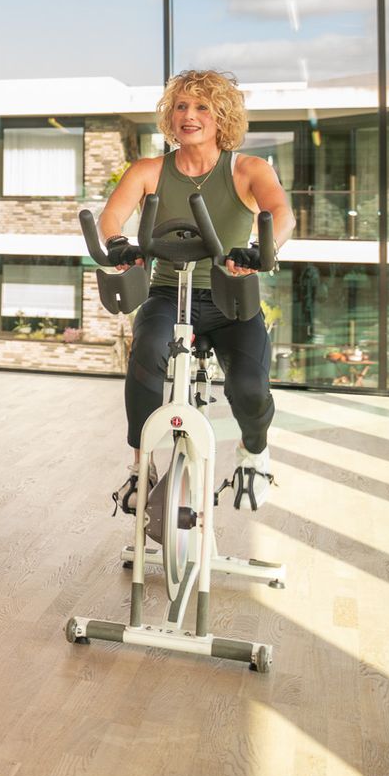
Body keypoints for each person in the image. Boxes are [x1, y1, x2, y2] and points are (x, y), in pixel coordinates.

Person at [97, 69, 295, 511]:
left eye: (203, 107)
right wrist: (117, 243)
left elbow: (282, 213)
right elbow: (111, 218)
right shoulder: (150, 170)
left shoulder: (248, 169)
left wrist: (261, 249)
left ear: (222, 116)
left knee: (249, 386)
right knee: (146, 353)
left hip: (231, 298)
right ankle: (140, 465)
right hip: (168, 294)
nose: (190, 116)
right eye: (182, 106)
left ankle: (254, 455)